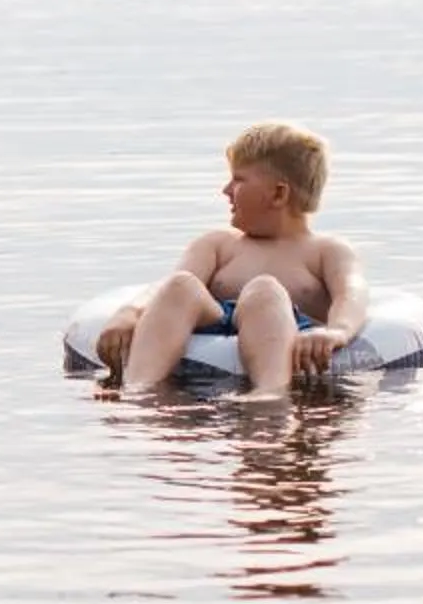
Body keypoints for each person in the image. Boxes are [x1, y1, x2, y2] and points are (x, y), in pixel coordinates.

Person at [94, 120, 369, 397]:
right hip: (216, 321)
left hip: (286, 328)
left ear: (278, 193)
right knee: (181, 284)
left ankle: (270, 391)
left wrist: (337, 331)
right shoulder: (218, 245)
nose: (225, 190)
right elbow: (166, 290)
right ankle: (139, 387)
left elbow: (352, 294)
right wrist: (129, 313)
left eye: (238, 180)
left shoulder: (326, 250)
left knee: (265, 290)